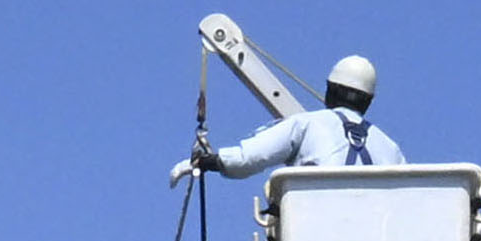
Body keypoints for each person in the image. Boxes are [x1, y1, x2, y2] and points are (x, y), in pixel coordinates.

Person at [171, 54, 403, 183]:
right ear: (369, 101)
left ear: (330, 90)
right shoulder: (390, 148)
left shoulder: (307, 124)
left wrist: (209, 161)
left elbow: (251, 156)